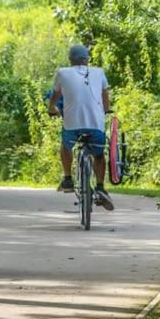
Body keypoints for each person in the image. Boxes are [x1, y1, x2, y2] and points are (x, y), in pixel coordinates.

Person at [47, 44, 114, 210]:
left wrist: (51, 109)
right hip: (95, 125)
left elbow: (55, 95)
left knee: (66, 146)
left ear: (70, 60)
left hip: (72, 126)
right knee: (98, 155)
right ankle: (100, 187)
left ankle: (68, 178)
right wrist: (105, 110)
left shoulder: (62, 72)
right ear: (87, 59)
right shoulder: (99, 72)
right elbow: (105, 95)